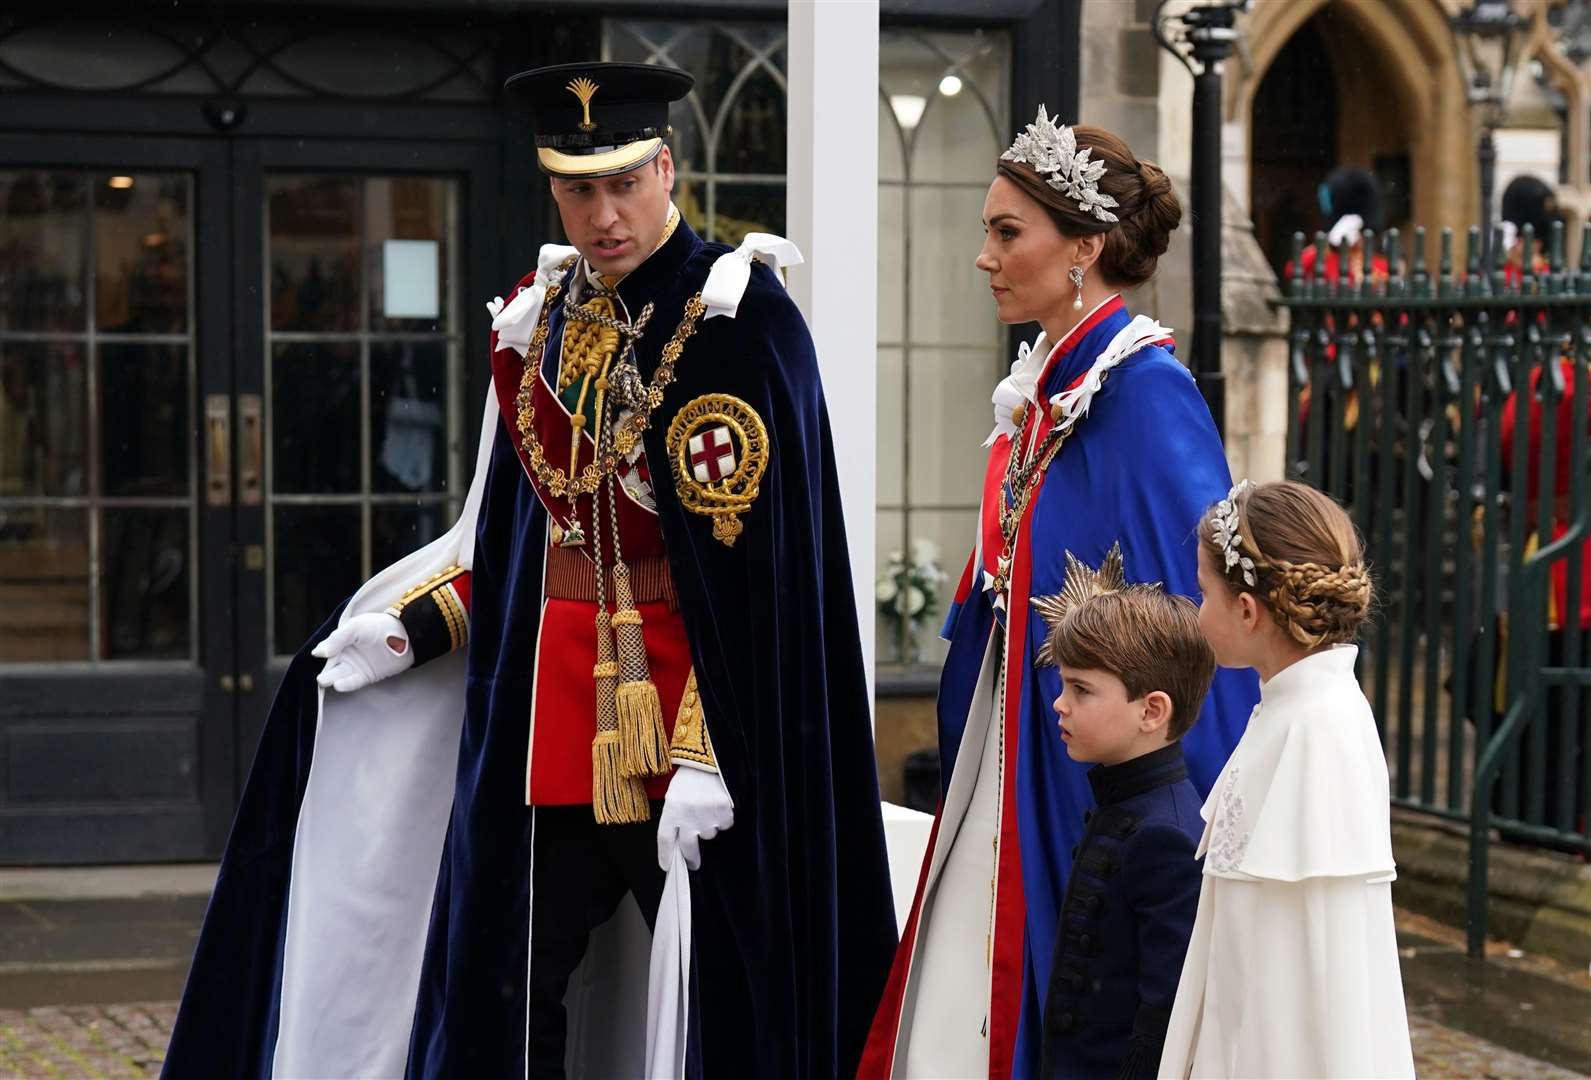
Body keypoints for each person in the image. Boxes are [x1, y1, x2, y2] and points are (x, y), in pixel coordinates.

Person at [162, 61, 897, 1079]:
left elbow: (766, 589)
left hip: (700, 725)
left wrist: (708, 750)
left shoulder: (741, 324)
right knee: (508, 989)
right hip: (553, 723)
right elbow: (517, 541)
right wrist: (412, 630)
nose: (604, 214)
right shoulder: (541, 322)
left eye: (625, 182)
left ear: (667, 166)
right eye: (577, 189)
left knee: (726, 991)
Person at [859, 110, 1257, 1079]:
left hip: (1084, 779)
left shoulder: (1142, 390)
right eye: (988, 231)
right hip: (1018, 753)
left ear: (1082, 247)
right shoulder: (1046, 388)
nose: (986, 256)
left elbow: (1201, 619)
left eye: (1008, 233)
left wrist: (1198, 819)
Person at [1159, 480, 1415, 1079]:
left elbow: (1318, 968)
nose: (1197, 612)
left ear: (1247, 612)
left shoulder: (1317, 730)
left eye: (1203, 594)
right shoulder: (1288, 711)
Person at [1032, 545, 1214, 1080]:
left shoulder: (1165, 835)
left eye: (1081, 689)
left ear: (1152, 710)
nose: (1059, 704)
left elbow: (1162, 1015)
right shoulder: (1122, 806)